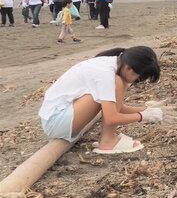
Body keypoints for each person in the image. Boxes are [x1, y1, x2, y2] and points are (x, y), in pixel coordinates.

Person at [38, 46, 166, 153]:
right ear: (129, 68)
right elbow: (111, 118)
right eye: (138, 78)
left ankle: (109, 138)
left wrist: (146, 110)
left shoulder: (110, 64)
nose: (134, 82)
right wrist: (142, 116)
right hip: (57, 122)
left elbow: (118, 107)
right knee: (117, 82)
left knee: (117, 83)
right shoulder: (107, 75)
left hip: (58, 119)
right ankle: (108, 141)